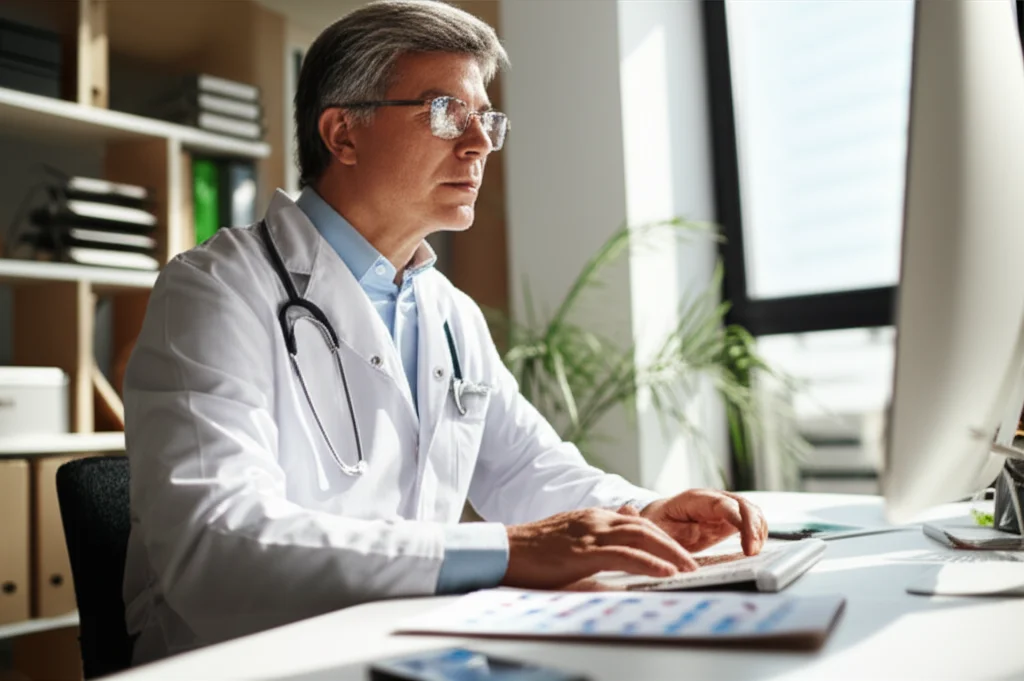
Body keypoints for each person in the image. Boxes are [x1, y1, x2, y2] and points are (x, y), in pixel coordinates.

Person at [122, 0, 768, 665]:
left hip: (411, 647)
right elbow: (216, 546)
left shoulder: (447, 310)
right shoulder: (216, 289)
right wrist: (507, 550)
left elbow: (524, 466)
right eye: (445, 113)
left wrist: (641, 513)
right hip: (251, 661)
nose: (480, 142)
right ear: (343, 134)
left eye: (486, 118)